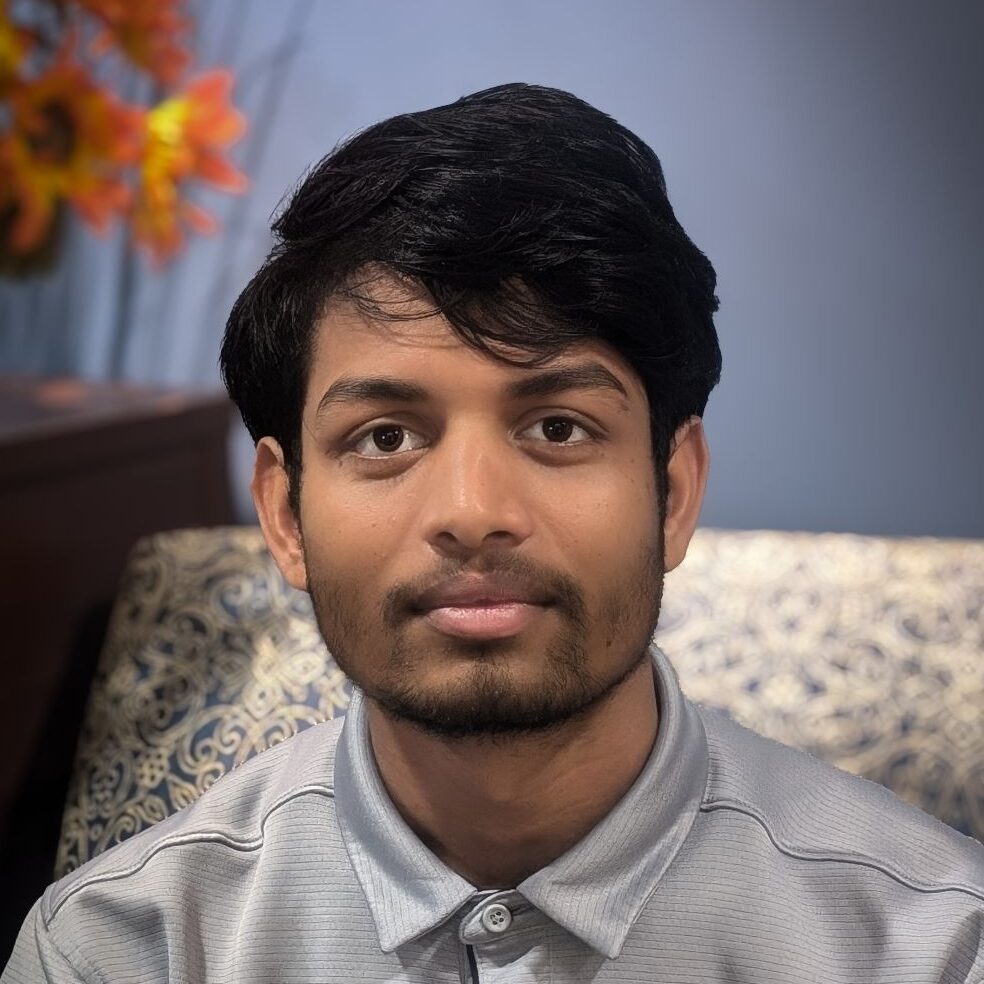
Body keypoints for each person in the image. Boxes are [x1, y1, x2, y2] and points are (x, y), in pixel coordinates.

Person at [4, 82, 983, 983]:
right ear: (283, 513)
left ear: (674, 491)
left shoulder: (931, 944)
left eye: (558, 427)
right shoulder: (123, 948)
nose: (472, 512)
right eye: (384, 437)